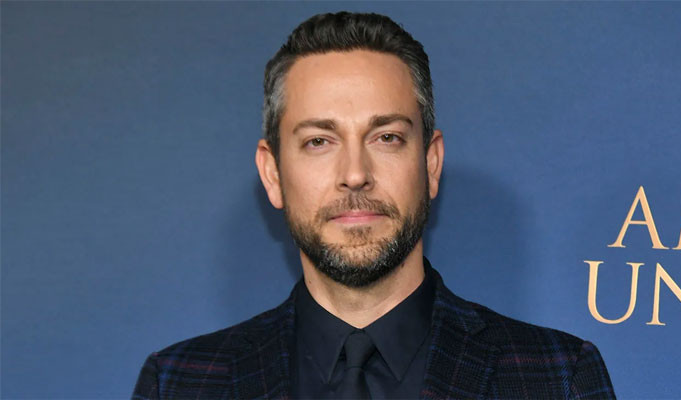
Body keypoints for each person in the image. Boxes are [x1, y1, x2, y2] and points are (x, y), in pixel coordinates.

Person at [133, 11, 615, 399]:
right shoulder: (177, 384)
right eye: (319, 141)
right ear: (273, 174)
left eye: (386, 137)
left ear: (430, 164)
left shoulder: (559, 378)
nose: (355, 173)